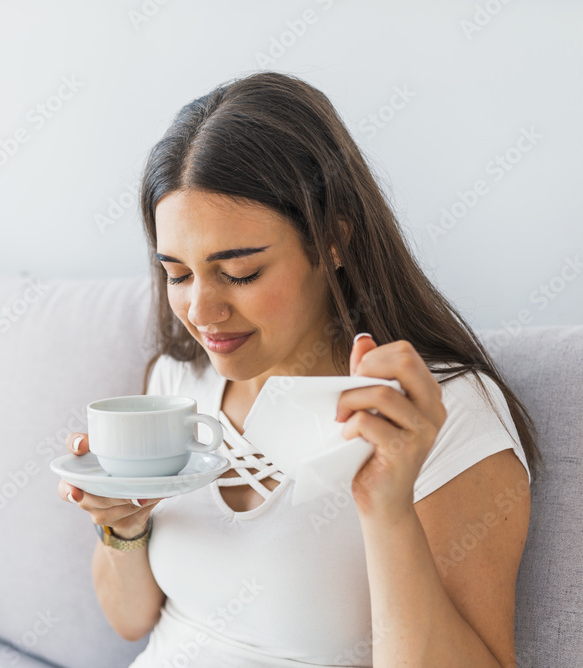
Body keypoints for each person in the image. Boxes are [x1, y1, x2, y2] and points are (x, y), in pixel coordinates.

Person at [55, 71, 539, 667]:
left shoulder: (439, 414)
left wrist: (385, 509)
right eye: (176, 274)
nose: (201, 312)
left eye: (240, 272)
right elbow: (130, 620)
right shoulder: (178, 385)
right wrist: (121, 527)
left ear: (332, 240)